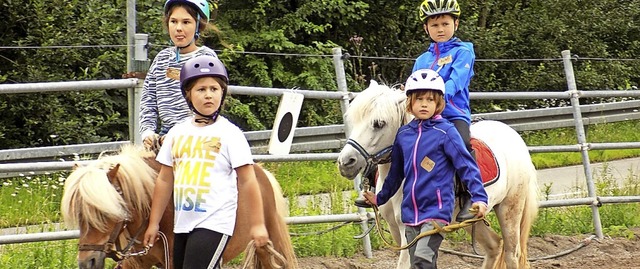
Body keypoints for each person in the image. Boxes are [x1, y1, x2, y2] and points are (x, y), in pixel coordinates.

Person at [143, 55, 269, 269]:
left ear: (223, 93)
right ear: (188, 95)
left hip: (215, 223)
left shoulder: (230, 134)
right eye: (201, 90)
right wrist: (153, 223)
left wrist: (257, 224)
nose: (208, 95)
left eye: (214, 89)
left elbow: (248, 181)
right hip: (182, 224)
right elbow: (165, 180)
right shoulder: (177, 133)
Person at [363, 69, 488, 269]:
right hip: (410, 213)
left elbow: (466, 166)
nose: (424, 104)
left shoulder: (446, 132)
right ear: (410, 104)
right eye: (419, 99)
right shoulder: (404, 135)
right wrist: (380, 198)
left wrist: (480, 197)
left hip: (436, 211)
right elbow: (396, 174)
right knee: (420, 263)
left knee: (422, 259)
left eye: (430, 100)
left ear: (438, 103)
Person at [413, 0, 477, 221]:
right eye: (434, 25)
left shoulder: (464, 52)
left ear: (456, 24)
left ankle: (470, 195)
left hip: (453, 114)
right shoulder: (422, 59)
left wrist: (436, 99)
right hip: (422, 115)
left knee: (462, 144)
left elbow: (456, 81)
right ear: (426, 28)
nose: (440, 29)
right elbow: (413, 86)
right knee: (393, 139)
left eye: (445, 23)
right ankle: (375, 185)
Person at [139, 0, 219, 150]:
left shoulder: (206, 58)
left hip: (199, 137)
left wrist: (181, 134)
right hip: (165, 136)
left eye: (186, 22)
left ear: (198, 25)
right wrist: (148, 132)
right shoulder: (162, 58)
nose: (179, 28)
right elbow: (148, 100)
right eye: (173, 21)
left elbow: (212, 103)